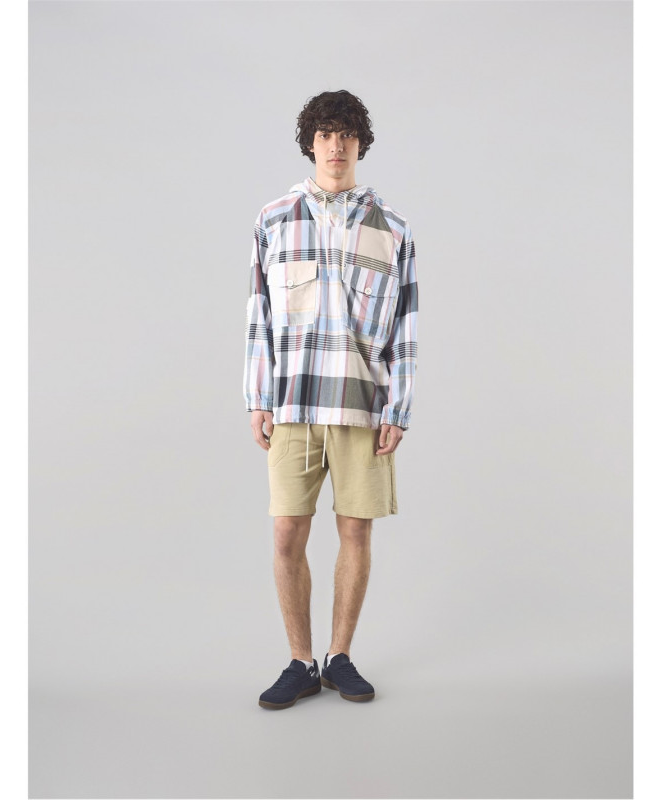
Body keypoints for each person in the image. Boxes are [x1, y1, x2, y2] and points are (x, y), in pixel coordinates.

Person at [243, 89, 419, 710]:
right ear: (310, 143)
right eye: (324, 134)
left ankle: (340, 657)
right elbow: (259, 315)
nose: (336, 145)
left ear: (361, 143)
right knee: (287, 532)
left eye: (346, 134)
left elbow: (406, 326)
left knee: (356, 532)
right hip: (292, 404)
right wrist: (257, 397)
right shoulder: (274, 219)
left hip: (363, 406)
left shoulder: (393, 229)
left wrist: (399, 408)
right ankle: (300, 661)